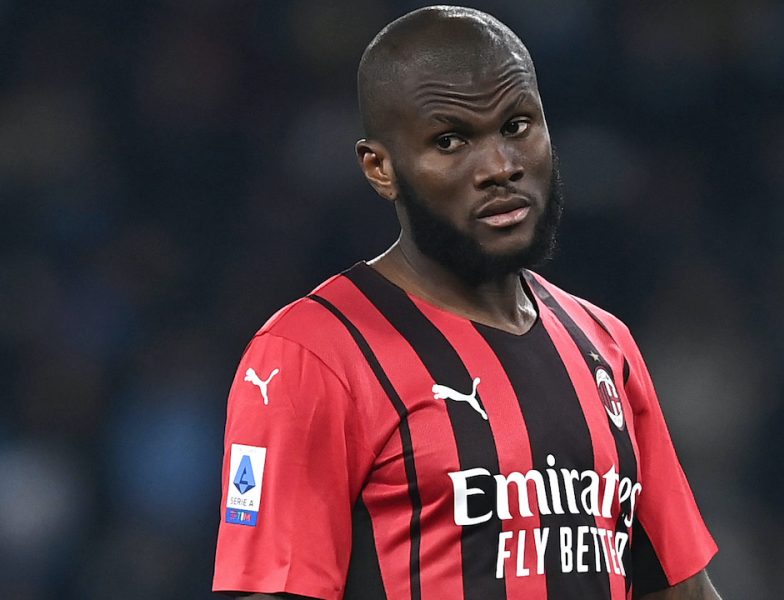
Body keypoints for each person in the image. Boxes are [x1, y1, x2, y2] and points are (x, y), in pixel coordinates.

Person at [213, 6, 721, 600]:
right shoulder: (311, 354)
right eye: (450, 141)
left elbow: (683, 591)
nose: (501, 168)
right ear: (381, 168)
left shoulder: (605, 344)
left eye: (517, 126)